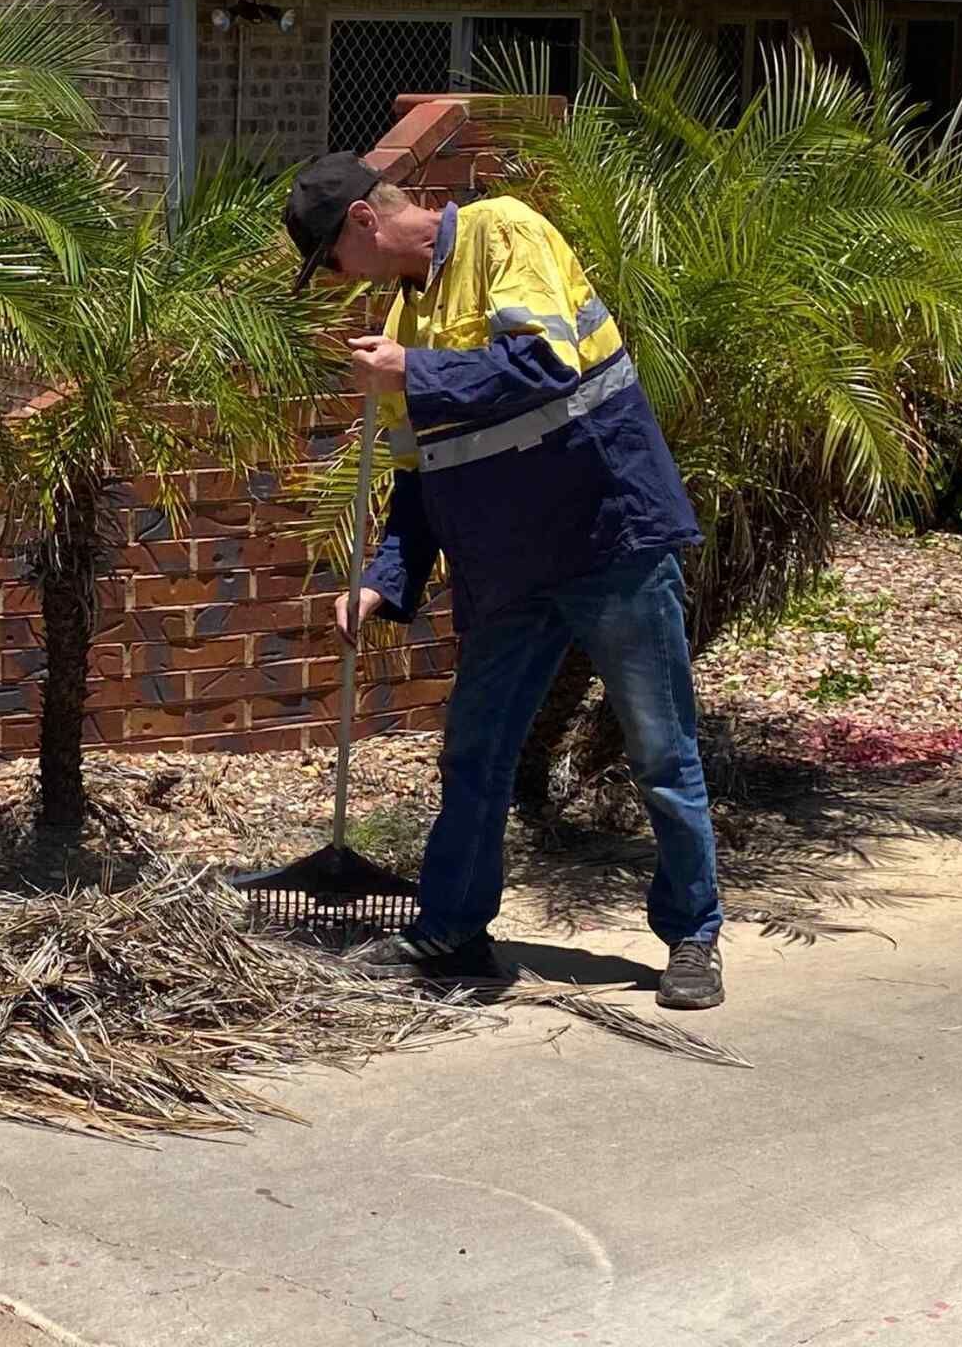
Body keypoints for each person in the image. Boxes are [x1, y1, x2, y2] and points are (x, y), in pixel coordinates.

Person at [282, 152, 726, 1010]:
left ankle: (694, 933)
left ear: (365, 224)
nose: (338, 280)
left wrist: (413, 375)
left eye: (332, 259)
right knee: (474, 755)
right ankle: (452, 932)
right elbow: (421, 481)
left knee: (661, 752)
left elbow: (546, 367)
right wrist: (382, 579)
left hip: (611, 540)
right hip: (510, 573)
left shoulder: (504, 231)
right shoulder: (404, 324)